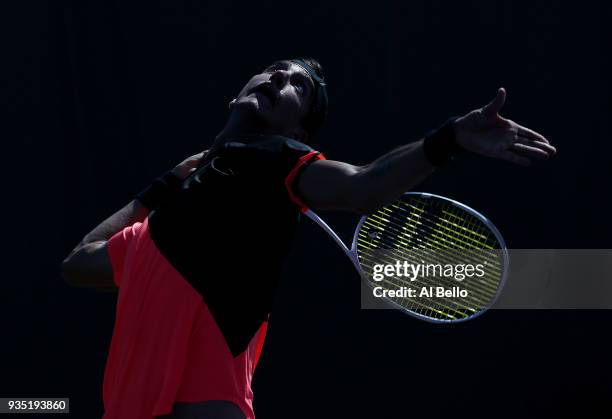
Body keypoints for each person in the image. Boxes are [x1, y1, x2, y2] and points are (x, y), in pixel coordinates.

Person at [61, 58, 556, 419]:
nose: (281, 78)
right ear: (238, 93)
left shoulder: (281, 160)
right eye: (276, 69)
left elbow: (364, 187)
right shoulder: (165, 221)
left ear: (298, 128)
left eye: (299, 85)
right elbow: (80, 263)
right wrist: (163, 185)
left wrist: (448, 138)